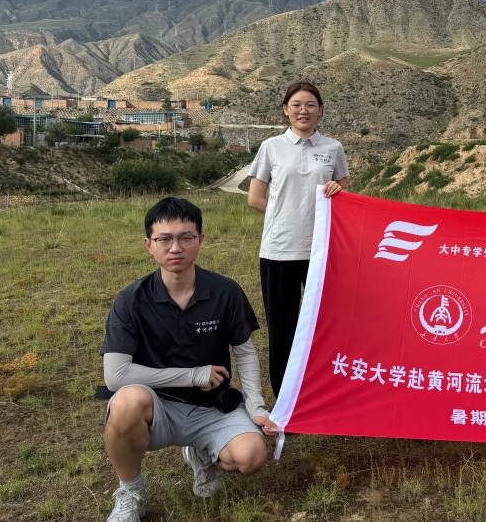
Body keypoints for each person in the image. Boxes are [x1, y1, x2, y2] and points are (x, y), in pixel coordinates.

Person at [101, 197, 276, 522]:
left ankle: (202, 455)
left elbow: (245, 352)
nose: (175, 248)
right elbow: (116, 375)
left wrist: (256, 406)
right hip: (157, 408)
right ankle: (130, 492)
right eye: (164, 239)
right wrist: (193, 375)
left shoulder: (225, 291)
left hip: (212, 407)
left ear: (200, 240)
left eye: (186, 237)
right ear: (149, 245)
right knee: (125, 402)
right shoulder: (130, 300)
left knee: (251, 457)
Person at [248, 81, 349, 396]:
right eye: (296, 105)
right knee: (282, 328)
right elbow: (255, 198)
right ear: (285, 110)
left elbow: (345, 194)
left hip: (322, 250)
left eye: (310, 105)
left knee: (326, 325)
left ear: (320, 110)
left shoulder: (333, 148)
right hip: (279, 249)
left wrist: (337, 190)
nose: (303, 110)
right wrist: (286, 214)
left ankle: (322, 391)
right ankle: (285, 399)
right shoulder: (271, 147)